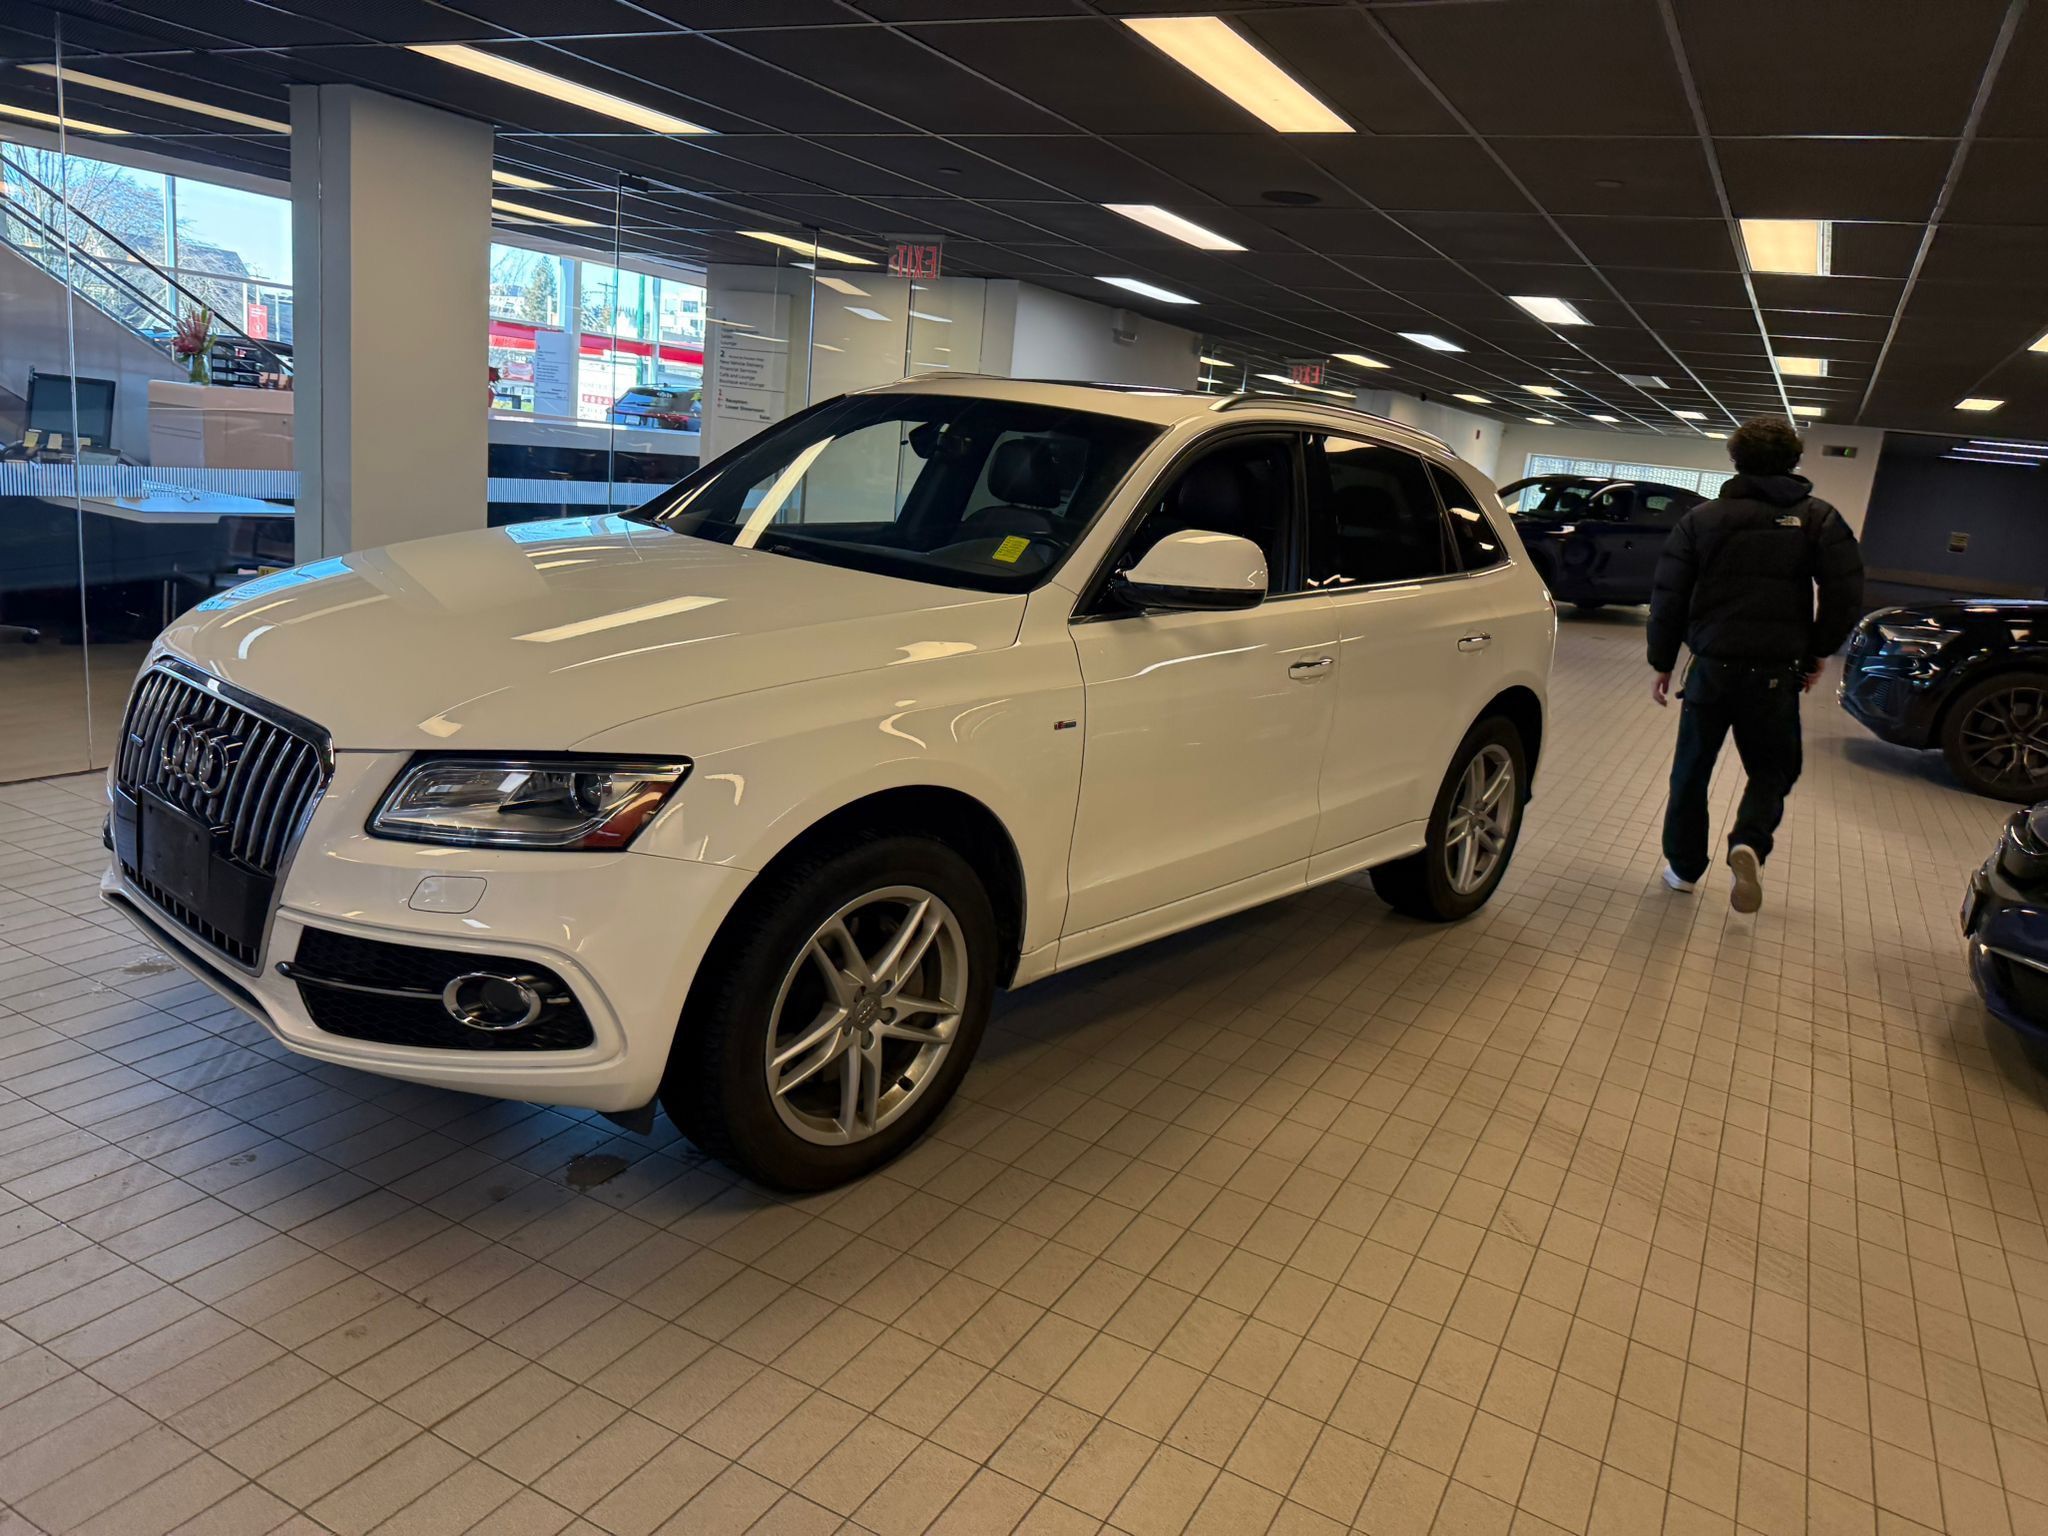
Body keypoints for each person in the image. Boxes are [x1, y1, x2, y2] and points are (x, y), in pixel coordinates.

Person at [1647, 416, 1864, 913]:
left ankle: (1682, 869)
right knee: (1773, 768)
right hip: (1774, 672)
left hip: (1711, 667)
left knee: (1691, 771)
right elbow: (1845, 593)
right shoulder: (1818, 518)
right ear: (1794, 461)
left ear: (1735, 459)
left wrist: (1662, 660)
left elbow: (1668, 596)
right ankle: (1748, 841)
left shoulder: (1700, 520)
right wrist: (1817, 651)